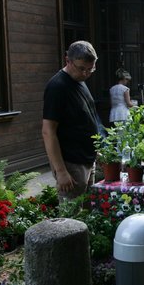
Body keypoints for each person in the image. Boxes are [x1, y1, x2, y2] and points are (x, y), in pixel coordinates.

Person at [42, 41, 99, 201]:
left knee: (88, 215)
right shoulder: (57, 87)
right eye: (82, 68)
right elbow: (48, 131)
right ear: (68, 60)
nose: (86, 73)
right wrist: (61, 171)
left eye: (91, 69)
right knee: (71, 220)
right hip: (71, 164)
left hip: (87, 159)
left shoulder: (80, 81)